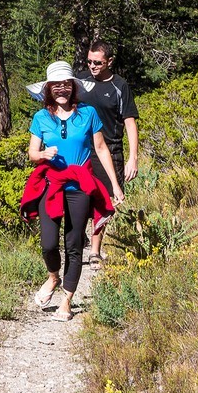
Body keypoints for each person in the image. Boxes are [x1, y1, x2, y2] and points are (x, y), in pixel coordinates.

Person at [20, 60, 124, 321]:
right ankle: (53, 277)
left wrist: (114, 184)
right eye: (57, 85)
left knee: (74, 244)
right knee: (48, 244)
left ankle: (67, 299)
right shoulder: (41, 117)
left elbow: (100, 149)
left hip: (79, 186)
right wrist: (43, 153)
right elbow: (32, 153)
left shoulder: (88, 113)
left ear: (74, 87)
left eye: (67, 84)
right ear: (49, 89)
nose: (62, 89)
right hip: (51, 185)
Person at [76, 40, 139, 265]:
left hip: (110, 150)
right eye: (89, 61)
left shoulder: (119, 86)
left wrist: (133, 157)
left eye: (98, 63)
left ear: (109, 61)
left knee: (104, 202)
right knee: (79, 197)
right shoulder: (80, 81)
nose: (92, 66)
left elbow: (130, 122)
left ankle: (95, 250)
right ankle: (78, 238)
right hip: (82, 150)